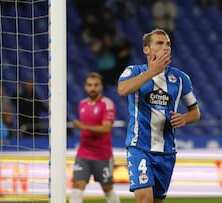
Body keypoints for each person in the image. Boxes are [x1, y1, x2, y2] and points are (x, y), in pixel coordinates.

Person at [117, 28, 201, 203]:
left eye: (168, 44)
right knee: (145, 201)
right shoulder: (133, 71)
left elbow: (195, 112)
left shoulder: (180, 79)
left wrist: (184, 118)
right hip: (139, 147)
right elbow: (123, 89)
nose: (166, 47)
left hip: (166, 152)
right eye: (160, 43)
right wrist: (152, 72)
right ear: (146, 49)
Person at [69, 72, 120, 203]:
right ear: (85, 87)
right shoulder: (82, 104)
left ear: (101, 86)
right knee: (77, 188)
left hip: (102, 155)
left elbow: (106, 128)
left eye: (96, 85)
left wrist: (83, 127)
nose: (93, 88)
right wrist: (83, 127)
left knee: (108, 189)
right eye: (90, 85)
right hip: (83, 153)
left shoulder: (107, 103)